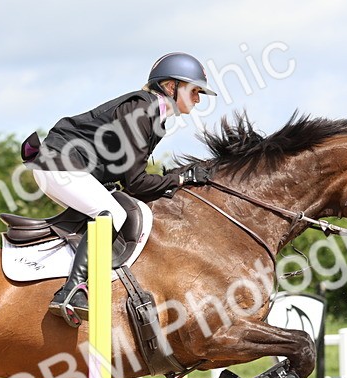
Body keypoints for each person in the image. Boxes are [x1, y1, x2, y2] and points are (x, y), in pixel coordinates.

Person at [21, 52, 217, 325]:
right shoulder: (141, 109)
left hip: (67, 167)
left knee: (115, 209)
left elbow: (131, 181)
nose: (198, 99)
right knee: (112, 214)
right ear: (171, 86)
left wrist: (177, 178)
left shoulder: (154, 117)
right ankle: (71, 291)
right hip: (59, 164)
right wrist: (181, 180)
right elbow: (136, 182)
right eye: (194, 91)